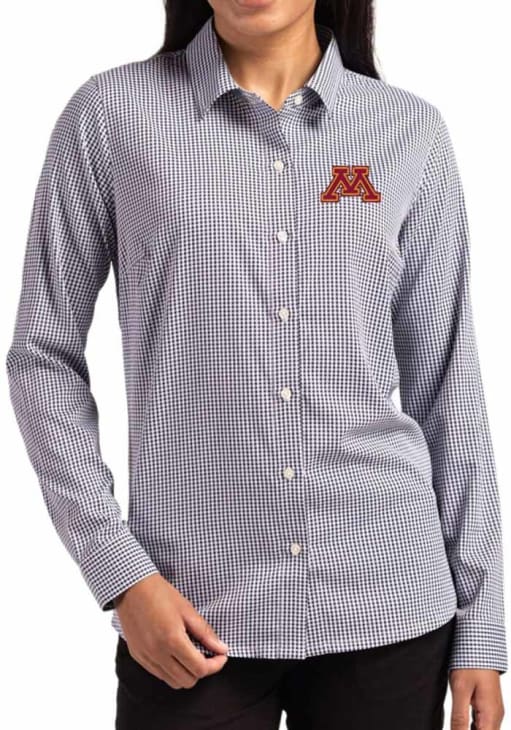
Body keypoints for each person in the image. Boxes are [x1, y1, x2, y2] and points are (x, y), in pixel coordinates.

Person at [5, 0, 507, 728]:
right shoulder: (111, 116)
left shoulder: (408, 131)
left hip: (389, 601)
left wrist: (481, 622)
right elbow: (41, 356)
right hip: (186, 611)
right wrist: (121, 576)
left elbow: (447, 381)